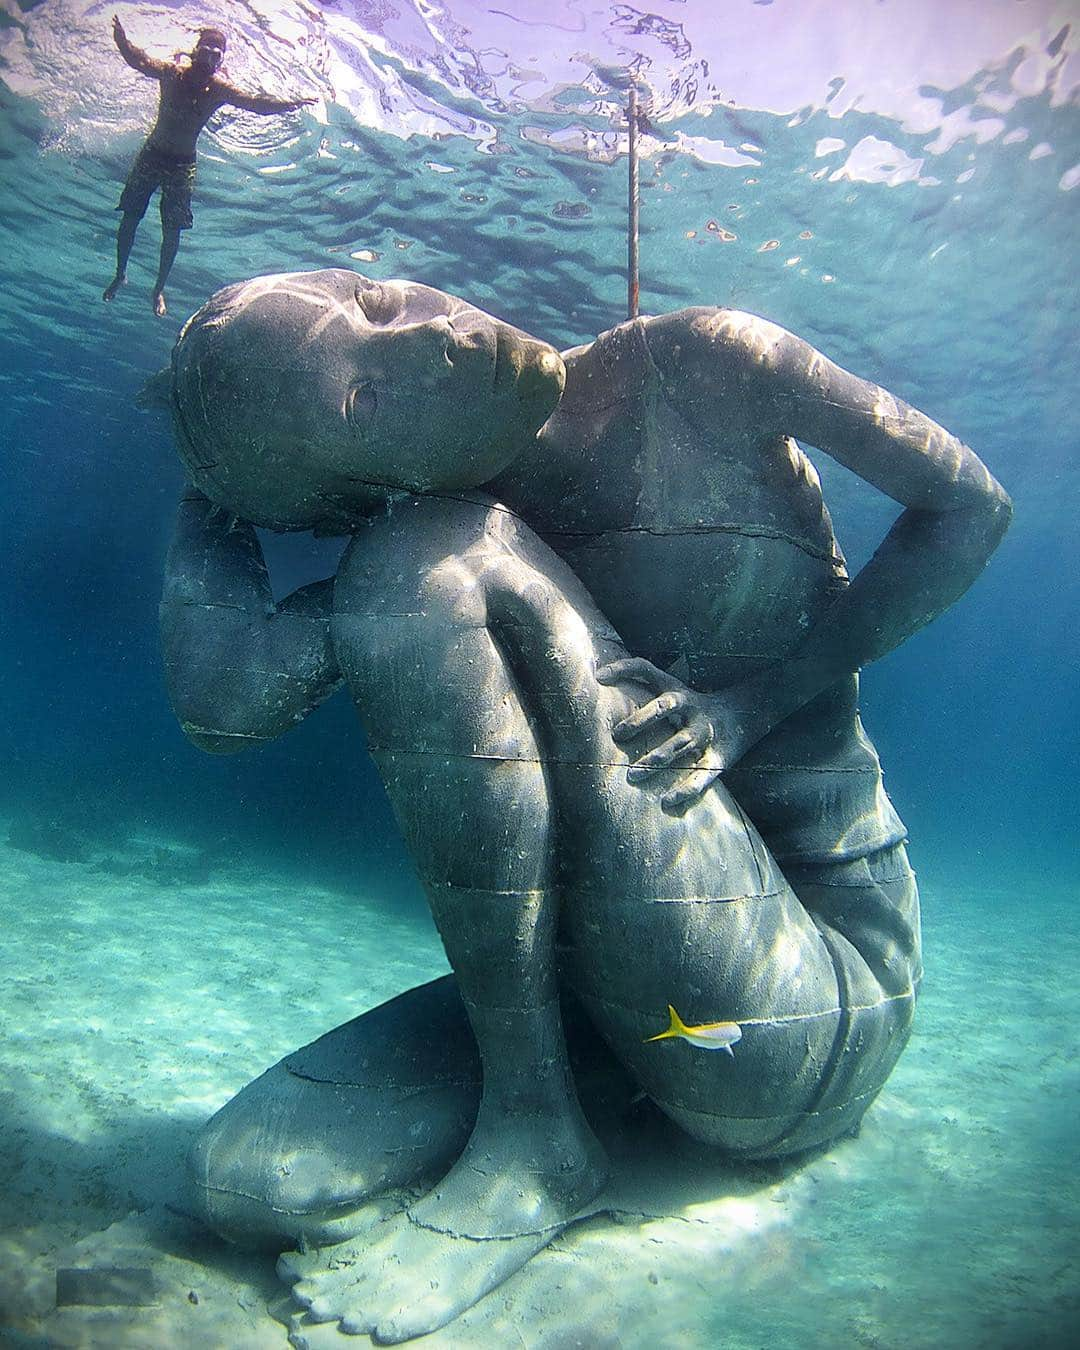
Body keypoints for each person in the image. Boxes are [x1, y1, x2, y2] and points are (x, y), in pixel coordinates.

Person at [156, 270, 1011, 1341]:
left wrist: (756, 707)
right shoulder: (463, 536)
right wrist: (213, 500)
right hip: (646, 1003)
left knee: (423, 560)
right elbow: (224, 704)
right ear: (364, 479)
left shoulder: (706, 365)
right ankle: (563, 1100)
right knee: (245, 1179)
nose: (429, 339)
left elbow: (972, 505)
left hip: (828, 990)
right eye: (363, 402)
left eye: (373, 301)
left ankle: (534, 1136)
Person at [102, 17, 314, 316]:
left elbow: (254, 103)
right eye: (208, 49)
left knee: (172, 231)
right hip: (152, 155)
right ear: (196, 50)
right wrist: (121, 40)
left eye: (218, 53)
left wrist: (289, 104)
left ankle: (158, 289)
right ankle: (120, 273)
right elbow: (139, 61)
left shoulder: (219, 90)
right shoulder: (171, 73)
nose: (212, 56)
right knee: (130, 217)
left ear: (221, 59)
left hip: (182, 165)